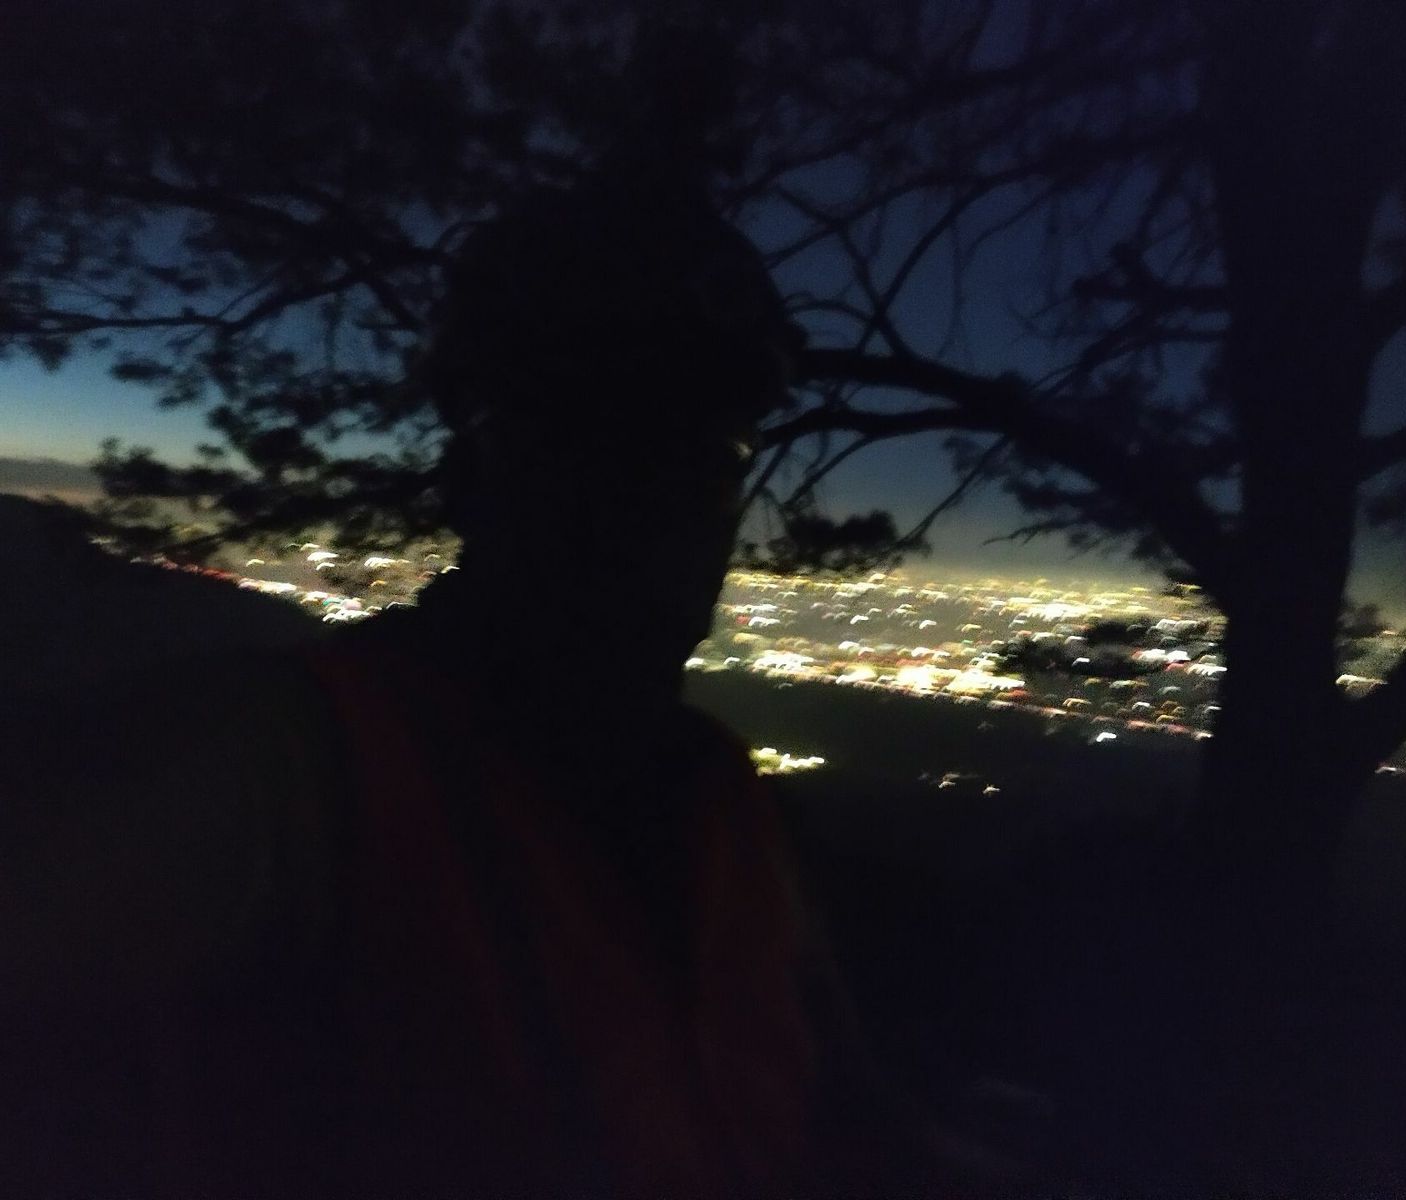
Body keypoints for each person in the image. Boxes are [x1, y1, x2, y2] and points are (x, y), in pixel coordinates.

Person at [0, 118, 1036, 1196]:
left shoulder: (723, 800)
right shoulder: (289, 770)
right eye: (594, 427)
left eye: (711, 447)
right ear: (474, 476)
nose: (663, 490)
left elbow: (852, 1118)